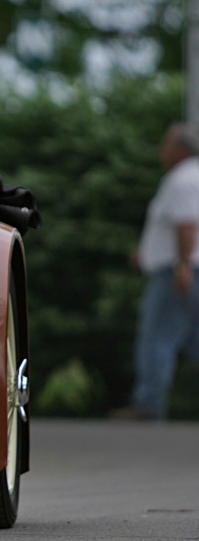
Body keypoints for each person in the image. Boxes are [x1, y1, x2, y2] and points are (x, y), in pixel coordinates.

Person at [111, 122, 199, 421]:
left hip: (178, 271)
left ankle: (148, 405)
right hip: (185, 267)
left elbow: (187, 223)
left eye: (166, 144)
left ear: (179, 148)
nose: (162, 150)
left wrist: (183, 264)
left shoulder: (182, 178)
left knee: (158, 337)